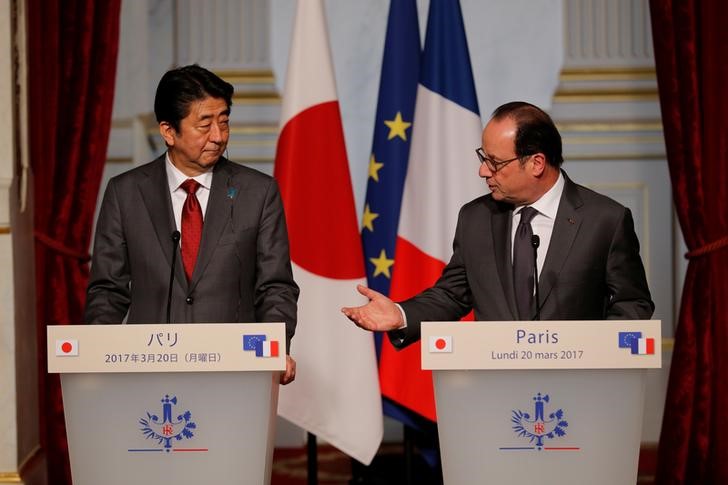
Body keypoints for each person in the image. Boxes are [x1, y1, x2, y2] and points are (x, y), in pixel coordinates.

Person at [342, 101, 653, 347]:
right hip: (495, 393)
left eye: (495, 162)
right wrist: (400, 314)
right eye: (483, 157)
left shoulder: (605, 220)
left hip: (577, 395)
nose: (482, 171)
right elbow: (452, 295)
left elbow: (632, 305)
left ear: (536, 163)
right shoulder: (475, 219)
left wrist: (598, 355)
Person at [85, 65, 299, 383]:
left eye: (224, 122)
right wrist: (96, 355)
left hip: (234, 374)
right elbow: (108, 291)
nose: (218, 136)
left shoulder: (258, 192)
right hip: (149, 373)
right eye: (204, 125)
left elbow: (275, 287)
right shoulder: (125, 193)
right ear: (169, 131)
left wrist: (275, 347)